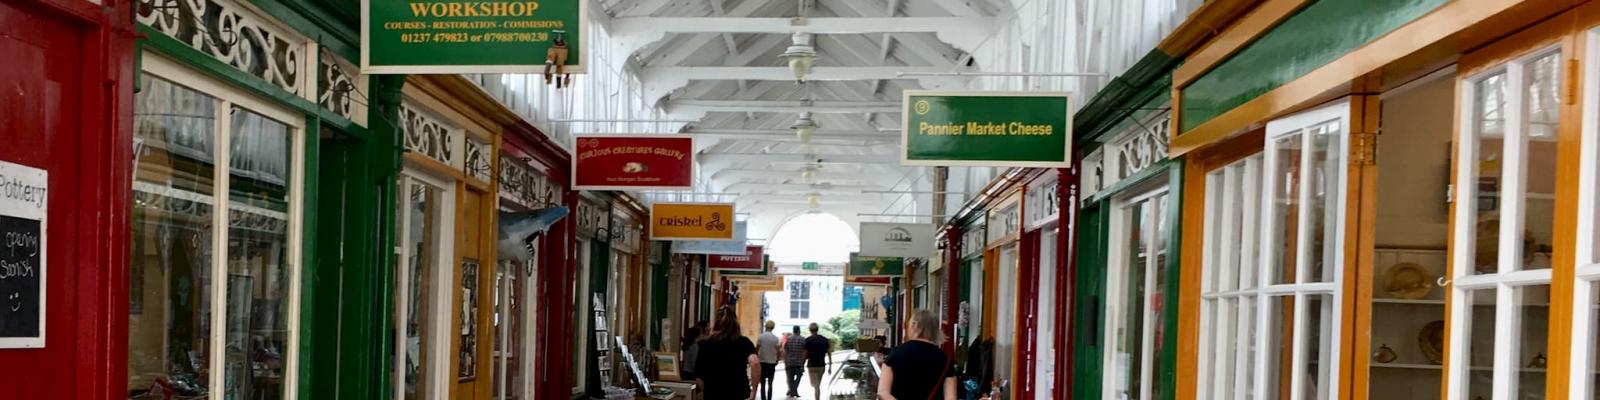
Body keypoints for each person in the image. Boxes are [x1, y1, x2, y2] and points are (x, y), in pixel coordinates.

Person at [878, 309, 956, 400]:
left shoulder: (895, 354)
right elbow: (951, 397)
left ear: (914, 326)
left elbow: (882, 392)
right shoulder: (946, 360)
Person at [695, 307, 760, 400]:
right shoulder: (744, 342)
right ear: (735, 323)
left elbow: (699, 377)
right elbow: (755, 362)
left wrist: (707, 392)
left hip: (713, 393)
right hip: (738, 393)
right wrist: (753, 392)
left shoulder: (705, 344)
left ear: (716, 323)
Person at [803, 322, 833, 400]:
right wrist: (830, 366)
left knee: (816, 386)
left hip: (811, 366)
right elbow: (829, 353)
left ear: (810, 330)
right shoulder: (824, 340)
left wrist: (802, 365)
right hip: (821, 366)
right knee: (817, 385)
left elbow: (805, 354)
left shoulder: (808, 340)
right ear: (817, 329)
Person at [756, 321, 781, 400]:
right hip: (772, 362)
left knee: (762, 383)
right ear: (773, 327)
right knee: (770, 383)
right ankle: (769, 398)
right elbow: (778, 351)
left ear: (765, 326)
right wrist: (777, 359)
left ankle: (763, 398)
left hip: (762, 361)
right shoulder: (775, 338)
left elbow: (757, 348)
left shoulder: (761, 337)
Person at [782, 326, 806, 398]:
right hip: (799, 362)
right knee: (799, 377)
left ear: (793, 331)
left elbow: (785, 351)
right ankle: (794, 390)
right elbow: (805, 352)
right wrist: (803, 362)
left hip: (789, 362)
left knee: (790, 378)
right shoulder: (803, 339)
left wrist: (785, 361)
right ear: (799, 331)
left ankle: (793, 390)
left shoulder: (788, 340)